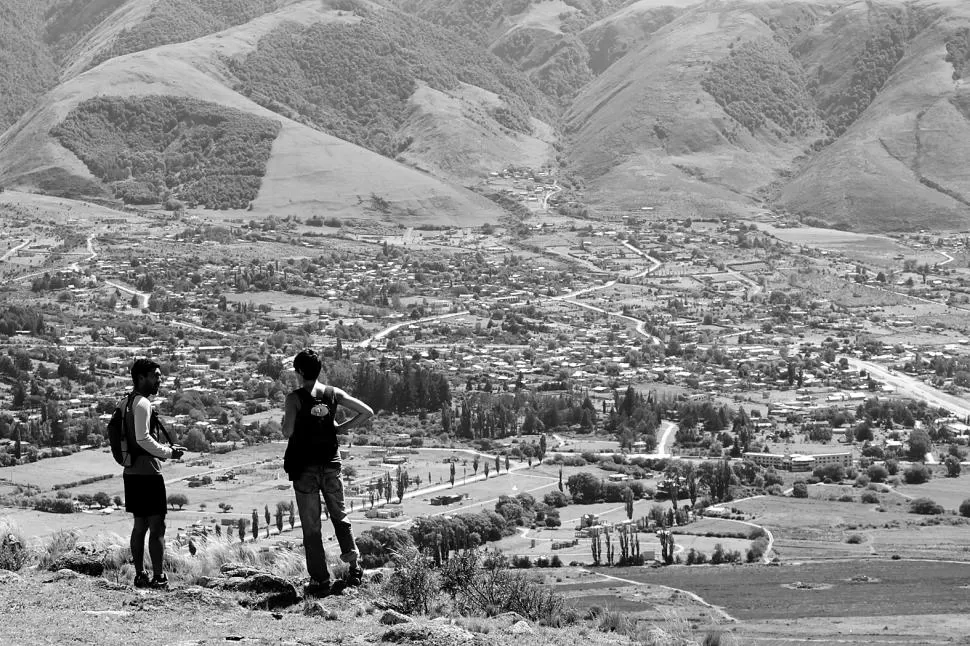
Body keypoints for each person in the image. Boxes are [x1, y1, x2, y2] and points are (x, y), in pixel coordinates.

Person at [282, 349, 373, 596]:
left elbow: (287, 431)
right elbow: (367, 411)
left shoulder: (295, 398)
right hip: (332, 465)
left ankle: (320, 580)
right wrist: (341, 428)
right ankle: (354, 568)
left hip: (305, 469)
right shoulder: (333, 394)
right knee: (340, 516)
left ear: (300, 372)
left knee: (311, 527)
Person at [123, 358, 184, 589]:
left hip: (131, 473)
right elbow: (142, 438)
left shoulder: (126, 402)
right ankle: (158, 578)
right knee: (157, 526)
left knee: (140, 526)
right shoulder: (142, 404)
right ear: (141, 378)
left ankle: (140, 575)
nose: (159, 379)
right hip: (148, 473)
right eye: (155, 375)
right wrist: (168, 452)